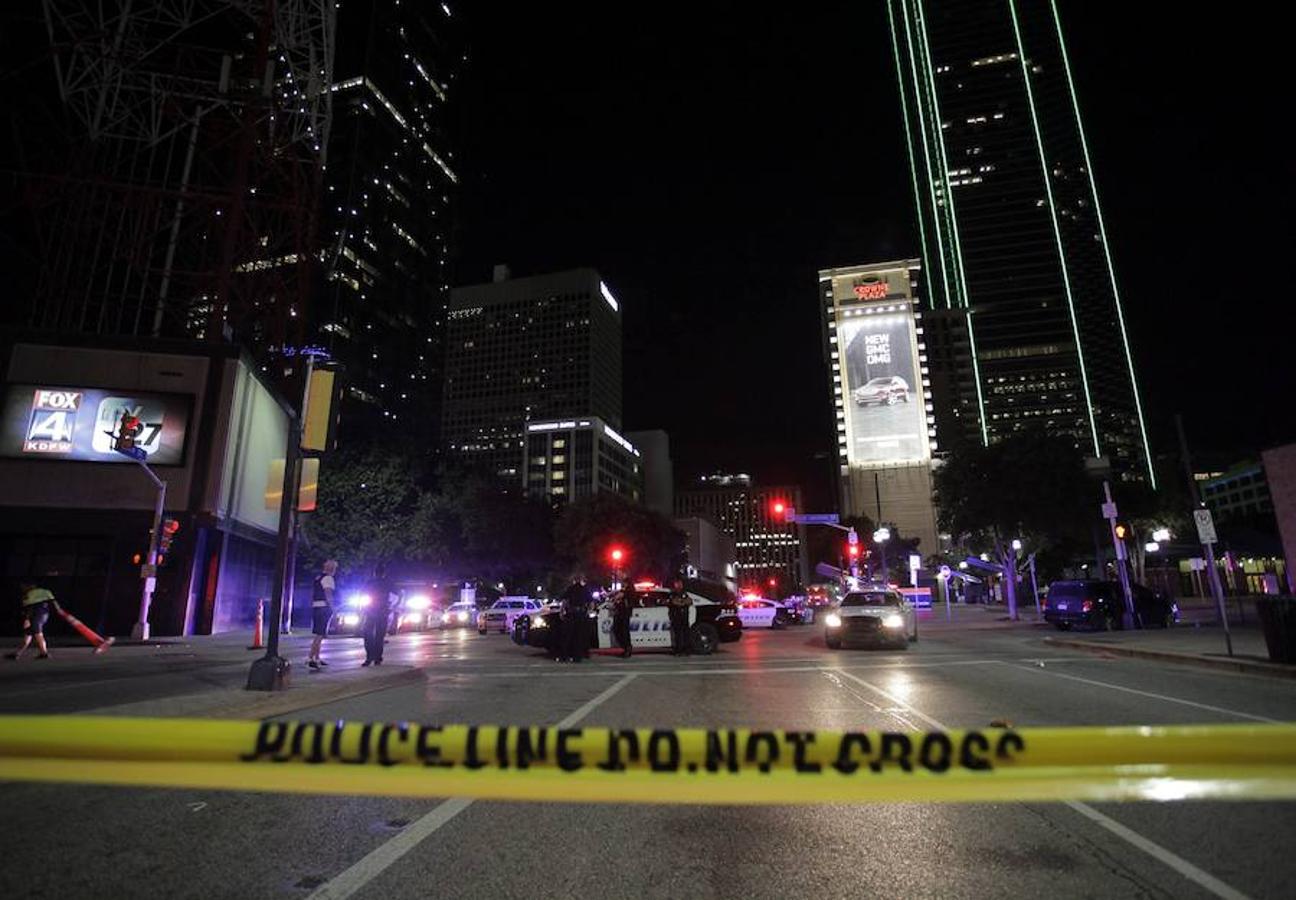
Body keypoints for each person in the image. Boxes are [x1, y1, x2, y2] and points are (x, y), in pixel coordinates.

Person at [8, 583, 55, 660]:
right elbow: (52, 602)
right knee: (28, 634)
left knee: (38, 634)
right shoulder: (46, 591)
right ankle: (17, 653)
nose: (23, 588)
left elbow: (29, 608)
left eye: (24, 586)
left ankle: (44, 653)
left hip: (35, 616)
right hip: (44, 615)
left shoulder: (29, 594)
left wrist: (27, 619)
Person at [362, 563, 395, 667]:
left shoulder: (369, 583)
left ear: (374, 573)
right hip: (383, 611)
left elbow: (362, 595)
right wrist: (393, 606)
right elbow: (399, 594)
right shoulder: (388, 583)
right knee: (379, 636)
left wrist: (362, 608)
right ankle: (377, 658)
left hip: (371, 610)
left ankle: (369, 657)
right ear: (384, 573)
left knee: (368, 634)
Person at [307, 559, 338, 670]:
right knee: (320, 634)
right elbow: (328, 594)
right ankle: (310, 658)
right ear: (333, 569)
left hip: (316, 606)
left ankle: (317, 658)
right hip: (324, 607)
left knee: (319, 634)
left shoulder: (318, 577)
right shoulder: (328, 578)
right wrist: (333, 609)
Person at [559, 574, 593, 663]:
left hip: (571, 613)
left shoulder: (570, 589)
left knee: (567, 636)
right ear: (580, 580)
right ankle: (577, 657)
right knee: (579, 636)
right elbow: (591, 603)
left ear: (574, 580)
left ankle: (564, 656)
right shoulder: (585, 589)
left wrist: (562, 611)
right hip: (581, 614)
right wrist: (588, 611)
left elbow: (565, 601)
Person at [667, 577, 693, 656]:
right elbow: (674, 602)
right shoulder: (672, 594)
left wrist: (681, 602)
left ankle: (686, 650)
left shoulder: (685, 593)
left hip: (684, 617)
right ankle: (678, 650)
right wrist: (682, 602)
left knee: (686, 634)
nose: (679, 585)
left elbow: (689, 601)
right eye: (677, 583)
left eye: (680, 584)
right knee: (677, 635)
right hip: (676, 617)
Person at [611, 588, 633, 658]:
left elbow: (617, 597)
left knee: (622, 632)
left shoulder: (628, 592)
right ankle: (626, 648)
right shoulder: (626, 592)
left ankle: (627, 649)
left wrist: (615, 597)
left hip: (623, 616)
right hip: (622, 615)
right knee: (620, 632)